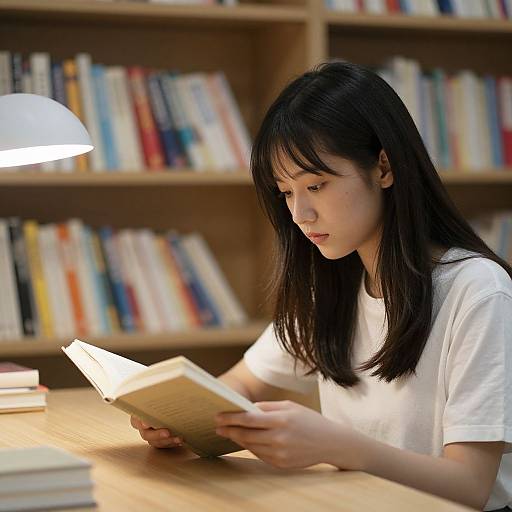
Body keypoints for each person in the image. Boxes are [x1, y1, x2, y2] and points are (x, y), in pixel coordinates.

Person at [131, 61, 512, 511]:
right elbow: (243, 383)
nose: (300, 215)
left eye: (316, 184)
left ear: (384, 167)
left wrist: (339, 447)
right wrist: (178, 417)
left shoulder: (477, 290)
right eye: (287, 192)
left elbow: (470, 485)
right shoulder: (333, 283)